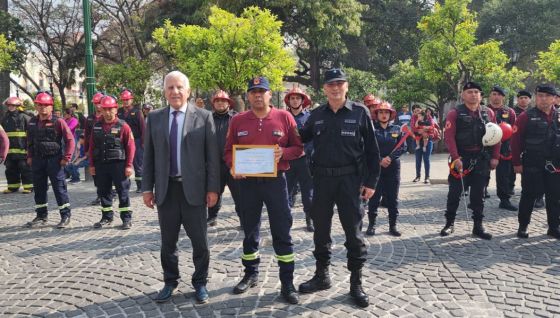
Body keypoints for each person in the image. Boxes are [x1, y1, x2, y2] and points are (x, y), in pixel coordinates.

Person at [298, 68, 380, 308]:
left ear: (346, 86)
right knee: (320, 231)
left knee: (353, 234)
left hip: (350, 182)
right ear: (324, 88)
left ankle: (356, 283)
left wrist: (371, 183)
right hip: (322, 181)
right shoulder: (316, 115)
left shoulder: (360, 113)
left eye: (339, 83)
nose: (335, 88)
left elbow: (373, 152)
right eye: (330, 84)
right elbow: (300, 138)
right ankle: (322, 276)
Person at [224, 77, 303, 304]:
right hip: (247, 183)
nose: (258, 95)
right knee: (249, 229)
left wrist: (283, 154)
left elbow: (299, 147)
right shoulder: (238, 120)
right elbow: (228, 151)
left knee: (281, 230)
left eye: (262, 91)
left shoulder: (284, 117)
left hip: (276, 182)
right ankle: (250, 273)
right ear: (247, 96)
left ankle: (287, 282)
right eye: (253, 92)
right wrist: (232, 166)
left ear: (270, 94)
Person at [143, 71, 220, 304]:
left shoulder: (204, 117)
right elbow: (149, 156)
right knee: (168, 242)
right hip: (166, 191)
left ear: (188, 91)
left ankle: (200, 283)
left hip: (194, 190)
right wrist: (147, 187)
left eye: (179, 87)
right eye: (170, 88)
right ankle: (170, 281)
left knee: (200, 242)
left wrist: (213, 189)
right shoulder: (154, 118)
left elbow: (212, 158)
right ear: (164, 92)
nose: (175, 92)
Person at [440, 82, 500, 240]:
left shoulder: (488, 113)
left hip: (481, 159)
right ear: (463, 95)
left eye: (476, 92)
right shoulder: (455, 113)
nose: (473, 95)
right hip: (461, 159)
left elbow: (497, 136)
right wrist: (455, 157)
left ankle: (478, 226)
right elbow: (449, 137)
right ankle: (449, 224)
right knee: (454, 193)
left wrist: (495, 157)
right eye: (469, 92)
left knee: (478, 195)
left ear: (481, 95)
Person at [511, 84, 560, 239]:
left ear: (554, 98)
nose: (543, 99)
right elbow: (515, 141)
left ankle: (553, 227)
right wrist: (516, 163)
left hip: (554, 164)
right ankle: (523, 226)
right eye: (540, 95)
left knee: (554, 197)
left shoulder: (558, 116)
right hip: (532, 162)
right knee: (529, 196)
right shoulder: (526, 116)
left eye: (547, 96)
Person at [25, 91, 75, 229]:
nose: (43, 108)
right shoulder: (32, 122)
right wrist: (29, 156)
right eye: (40, 105)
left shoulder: (58, 121)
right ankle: (41, 216)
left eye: (46, 105)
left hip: (55, 161)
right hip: (37, 161)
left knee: (59, 189)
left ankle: (65, 216)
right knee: (39, 189)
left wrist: (67, 157)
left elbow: (70, 140)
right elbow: (29, 142)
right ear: (36, 106)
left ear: (51, 106)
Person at [89, 95, 135, 229]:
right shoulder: (96, 126)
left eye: (110, 109)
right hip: (101, 164)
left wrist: (129, 165)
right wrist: (91, 165)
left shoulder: (123, 126)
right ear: (101, 110)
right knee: (103, 191)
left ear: (116, 109)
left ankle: (126, 218)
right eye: (105, 109)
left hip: (119, 165)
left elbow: (131, 147)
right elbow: (91, 147)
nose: (108, 112)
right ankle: (106, 217)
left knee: (123, 191)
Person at [366, 102, 405, 237]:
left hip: (393, 167)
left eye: (386, 112)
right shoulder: (371, 129)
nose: (384, 115)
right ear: (376, 114)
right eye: (381, 112)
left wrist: (390, 157)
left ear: (390, 114)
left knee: (393, 199)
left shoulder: (396, 129)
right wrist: (379, 160)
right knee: (374, 198)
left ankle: (392, 225)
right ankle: (371, 225)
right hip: (376, 169)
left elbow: (402, 147)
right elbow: (367, 147)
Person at [207, 90, 240, 227]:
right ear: (214, 103)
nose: (220, 103)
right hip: (215, 164)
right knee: (214, 191)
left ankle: (243, 218)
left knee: (239, 194)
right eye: (217, 101)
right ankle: (212, 217)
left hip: (234, 163)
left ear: (229, 103)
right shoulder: (207, 118)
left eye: (223, 100)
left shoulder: (237, 118)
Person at [285, 85, 315, 232]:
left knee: (308, 193)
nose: (295, 100)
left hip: (305, 160)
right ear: (288, 100)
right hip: (288, 161)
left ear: (302, 100)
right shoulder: (283, 116)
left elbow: (314, 139)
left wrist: (305, 150)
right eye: (292, 98)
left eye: (298, 98)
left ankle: (310, 220)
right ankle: (286, 220)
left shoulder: (310, 117)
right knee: (286, 192)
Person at [487, 85, 517, 211]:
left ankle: (504, 200)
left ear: (503, 97)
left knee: (504, 175)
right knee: (481, 174)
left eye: (499, 94)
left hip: (504, 148)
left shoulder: (509, 111)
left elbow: (515, 130)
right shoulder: (484, 110)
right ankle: (477, 197)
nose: (496, 96)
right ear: (490, 96)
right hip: (486, 146)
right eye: (494, 94)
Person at [2, 97, 33, 194]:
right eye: (9, 105)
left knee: (25, 168)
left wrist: (29, 149)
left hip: (23, 150)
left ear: (18, 106)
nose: (10, 107)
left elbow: (31, 135)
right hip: (10, 151)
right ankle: (12, 187)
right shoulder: (5, 118)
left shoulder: (25, 118)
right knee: (10, 169)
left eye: (13, 105)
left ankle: (29, 186)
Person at [117, 89, 145, 193]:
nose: (125, 101)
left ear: (131, 100)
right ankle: (124, 185)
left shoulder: (137, 112)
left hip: (136, 141)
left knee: (138, 164)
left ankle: (140, 186)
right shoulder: (118, 112)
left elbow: (143, 128)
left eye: (127, 99)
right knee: (123, 164)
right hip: (121, 142)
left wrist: (143, 143)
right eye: (124, 100)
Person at [85, 92, 105, 206]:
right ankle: (99, 195)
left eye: (99, 103)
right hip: (94, 150)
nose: (98, 105)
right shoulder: (90, 119)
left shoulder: (106, 116)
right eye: (96, 103)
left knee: (107, 174)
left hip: (107, 150)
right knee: (95, 174)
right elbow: (86, 134)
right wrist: (87, 150)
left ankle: (110, 194)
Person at [411, 107, 437, 184]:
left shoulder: (429, 117)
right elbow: (413, 128)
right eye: (415, 111)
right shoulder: (413, 118)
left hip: (428, 140)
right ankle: (418, 176)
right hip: (417, 140)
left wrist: (424, 130)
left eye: (418, 110)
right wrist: (421, 130)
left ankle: (427, 177)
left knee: (426, 159)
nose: (417, 112)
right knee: (418, 159)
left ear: (422, 111)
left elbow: (432, 127)